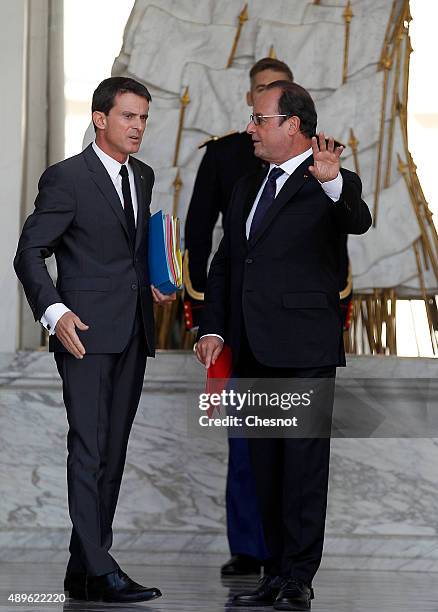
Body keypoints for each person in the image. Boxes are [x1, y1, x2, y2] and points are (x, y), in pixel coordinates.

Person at [196, 81, 371, 610]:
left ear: (292, 125)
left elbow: (357, 221)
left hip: (303, 350)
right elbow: (228, 262)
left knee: (302, 469)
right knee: (265, 470)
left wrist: (334, 180)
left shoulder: (331, 180)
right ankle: (273, 575)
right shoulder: (248, 183)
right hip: (251, 348)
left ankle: (298, 576)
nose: (250, 128)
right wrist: (213, 327)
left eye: (259, 120)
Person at [14, 77, 176, 603]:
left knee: (112, 452)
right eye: (128, 116)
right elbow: (29, 253)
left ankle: (83, 569)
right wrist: (54, 312)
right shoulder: (66, 178)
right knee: (88, 450)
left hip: (132, 332)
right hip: (81, 333)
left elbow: (126, 250)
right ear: (100, 119)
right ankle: (102, 568)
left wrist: (150, 277)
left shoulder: (144, 175)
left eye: (144, 118)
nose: (138, 127)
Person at [185, 57, 295, 577]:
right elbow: (201, 230)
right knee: (247, 441)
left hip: (292, 330)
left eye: (276, 90)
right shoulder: (227, 155)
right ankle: (249, 546)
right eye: (259, 90)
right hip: (237, 324)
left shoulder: (318, 160)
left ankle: (288, 558)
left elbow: (334, 240)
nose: (265, 97)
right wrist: (210, 312)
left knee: (294, 446)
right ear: (250, 98)